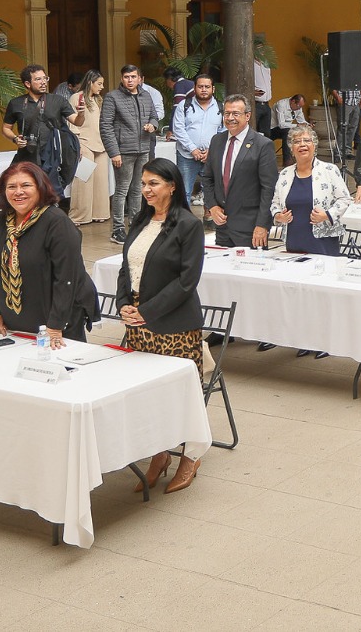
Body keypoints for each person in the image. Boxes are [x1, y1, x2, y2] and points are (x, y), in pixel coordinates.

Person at [115, 156, 205, 493]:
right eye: (143, 183)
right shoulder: (141, 220)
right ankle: (159, 453)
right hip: (138, 324)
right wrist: (124, 303)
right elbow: (126, 268)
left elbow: (186, 281)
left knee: (180, 396)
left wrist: (147, 312)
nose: (146, 189)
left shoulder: (188, 224)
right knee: (149, 395)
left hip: (174, 326)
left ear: (172, 186)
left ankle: (190, 456)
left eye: (153, 183)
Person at [0, 161, 97, 344]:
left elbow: (67, 279)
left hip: (54, 324)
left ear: (40, 188)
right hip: (11, 322)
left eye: (26, 185)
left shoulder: (56, 223)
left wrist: (55, 325)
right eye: (11, 187)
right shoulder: (0, 222)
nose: (18, 192)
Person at [199, 94, 278, 249]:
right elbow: (207, 178)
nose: (230, 118)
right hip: (222, 226)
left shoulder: (262, 145)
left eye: (236, 113)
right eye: (227, 113)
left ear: (247, 116)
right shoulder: (217, 141)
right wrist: (212, 206)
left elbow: (269, 189)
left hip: (251, 229)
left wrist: (262, 225)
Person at [101, 64, 164, 244]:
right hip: (123, 150)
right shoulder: (112, 97)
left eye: (133, 77)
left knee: (138, 188)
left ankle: (136, 222)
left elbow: (154, 116)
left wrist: (153, 125)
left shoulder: (146, 96)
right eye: (126, 77)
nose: (130, 80)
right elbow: (105, 126)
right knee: (122, 190)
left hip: (143, 148)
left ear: (140, 79)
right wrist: (114, 152)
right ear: (122, 79)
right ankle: (118, 229)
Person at [272, 124, 353, 257]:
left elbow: (345, 199)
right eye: (297, 142)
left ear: (314, 146)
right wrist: (278, 216)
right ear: (291, 149)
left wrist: (327, 214)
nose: (302, 144)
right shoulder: (284, 174)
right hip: (294, 241)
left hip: (323, 241)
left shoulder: (329, 170)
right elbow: (275, 203)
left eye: (307, 141)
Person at [2, 64, 83, 193]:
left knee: (50, 193)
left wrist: (81, 113)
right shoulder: (16, 103)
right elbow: (6, 128)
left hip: (52, 156)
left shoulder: (58, 100)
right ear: (28, 84)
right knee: (26, 190)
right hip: (27, 155)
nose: (43, 82)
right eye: (38, 79)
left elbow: (77, 121)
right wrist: (15, 139)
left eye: (45, 78)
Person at [70, 70, 112, 226]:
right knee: (83, 181)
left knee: (101, 182)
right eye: (99, 84)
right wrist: (77, 144)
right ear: (90, 83)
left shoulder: (98, 99)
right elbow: (71, 122)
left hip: (100, 145)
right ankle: (79, 216)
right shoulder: (76, 97)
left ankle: (99, 213)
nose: (102, 87)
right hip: (84, 143)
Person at [171, 71, 220, 204]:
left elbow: (223, 131)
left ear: (213, 89)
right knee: (184, 191)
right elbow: (178, 129)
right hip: (187, 156)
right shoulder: (184, 105)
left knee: (212, 190)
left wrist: (211, 150)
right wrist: (193, 149)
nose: (204, 89)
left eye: (207, 86)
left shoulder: (220, 107)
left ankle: (210, 220)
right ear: (194, 88)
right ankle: (185, 222)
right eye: (200, 86)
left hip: (211, 156)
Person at [269, 93, 312, 163]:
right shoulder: (281, 105)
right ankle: (287, 161)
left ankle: (303, 157)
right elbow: (281, 124)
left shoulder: (298, 107)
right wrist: (297, 125)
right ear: (293, 101)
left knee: (303, 131)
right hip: (273, 129)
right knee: (288, 132)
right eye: (298, 106)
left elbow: (301, 120)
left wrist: (307, 125)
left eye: (301, 107)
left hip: (287, 128)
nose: (299, 108)